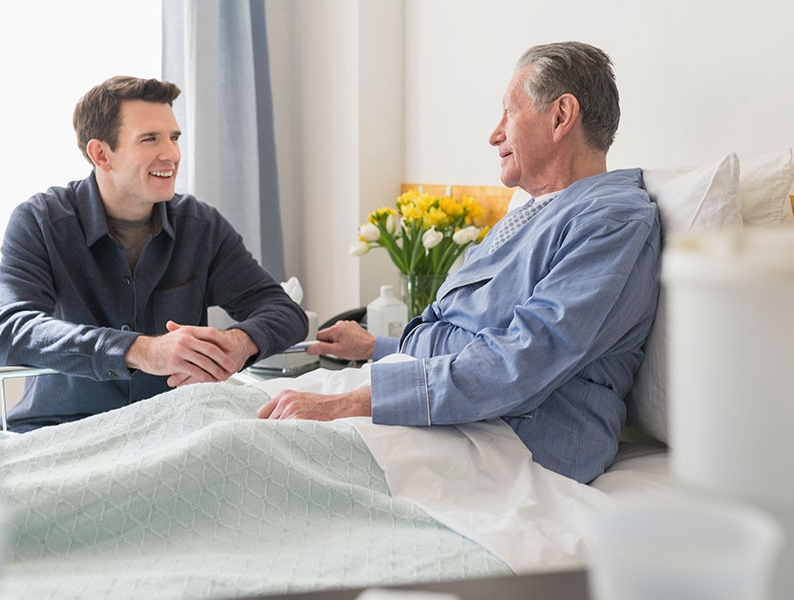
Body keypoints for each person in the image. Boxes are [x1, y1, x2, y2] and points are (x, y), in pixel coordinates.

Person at [258, 42, 661, 484]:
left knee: (257, 460)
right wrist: (378, 348)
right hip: (460, 416)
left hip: (514, 438)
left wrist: (355, 401)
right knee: (234, 413)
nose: (495, 134)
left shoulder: (612, 220)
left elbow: (521, 360)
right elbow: (466, 339)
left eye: (508, 112)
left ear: (561, 116)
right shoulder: (535, 213)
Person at [0, 76, 308, 433]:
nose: (171, 154)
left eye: (173, 137)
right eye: (150, 139)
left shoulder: (201, 225)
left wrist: (239, 342)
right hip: (57, 430)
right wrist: (141, 350)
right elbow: (8, 330)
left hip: (169, 432)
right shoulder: (40, 221)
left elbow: (284, 311)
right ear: (101, 154)